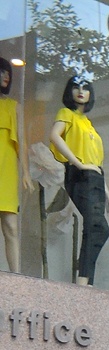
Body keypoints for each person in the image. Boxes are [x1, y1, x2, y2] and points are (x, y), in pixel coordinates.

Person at [49, 76, 109, 286]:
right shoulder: (66, 114)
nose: (81, 91)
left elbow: (97, 163)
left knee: (98, 229)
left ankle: (85, 280)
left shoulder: (89, 125)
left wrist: (108, 198)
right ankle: (83, 281)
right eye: (76, 87)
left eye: (85, 88)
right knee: (96, 227)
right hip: (81, 176)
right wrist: (77, 163)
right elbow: (55, 136)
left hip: (95, 178)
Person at [0, 63, 34, 273]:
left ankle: (16, 276)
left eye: (7, 73)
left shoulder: (13, 106)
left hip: (7, 171)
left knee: (11, 226)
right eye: (1, 72)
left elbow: (22, 141)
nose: (5, 76)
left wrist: (26, 173)